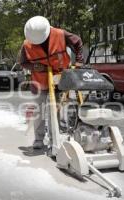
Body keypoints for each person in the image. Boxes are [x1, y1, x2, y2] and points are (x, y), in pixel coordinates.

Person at [18, 16, 84, 149]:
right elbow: (23, 62)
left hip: (60, 78)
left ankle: (57, 137)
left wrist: (79, 61)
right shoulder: (27, 44)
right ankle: (38, 139)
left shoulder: (60, 34)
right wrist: (34, 67)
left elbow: (78, 42)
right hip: (40, 81)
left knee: (58, 109)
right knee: (39, 111)